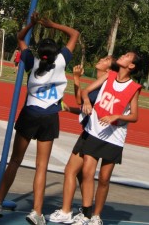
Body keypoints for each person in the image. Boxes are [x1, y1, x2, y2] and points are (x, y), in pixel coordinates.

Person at [0, 12, 79, 225]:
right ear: (56, 53)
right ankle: (36, 212)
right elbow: (75, 34)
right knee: (41, 166)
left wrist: (32, 24)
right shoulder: (63, 60)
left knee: (15, 161)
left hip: (30, 114)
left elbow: (20, 38)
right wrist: (52, 24)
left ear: (40, 53)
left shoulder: (31, 62)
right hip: (49, 117)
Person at [71, 51, 143, 225]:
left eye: (127, 56)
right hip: (95, 131)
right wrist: (87, 101)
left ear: (131, 66)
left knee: (104, 178)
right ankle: (86, 213)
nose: (122, 56)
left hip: (114, 137)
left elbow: (134, 116)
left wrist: (116, 116)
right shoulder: (109, 76)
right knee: (87, 172)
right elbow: (86, 92)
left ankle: (96, 216)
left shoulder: (133, 88)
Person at [47, 55, 119, 224]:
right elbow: (83, 105)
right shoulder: (99, 84)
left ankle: (73, 212)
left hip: (92, 135)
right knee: (79, 173)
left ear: (109, 70)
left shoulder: (104, 85)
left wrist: (77, 80)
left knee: (74, 172)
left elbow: (82, 101)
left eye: (106, 59)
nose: (102, 59)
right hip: (90, 133)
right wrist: (71, 105)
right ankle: (84, 211)